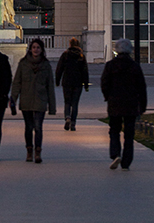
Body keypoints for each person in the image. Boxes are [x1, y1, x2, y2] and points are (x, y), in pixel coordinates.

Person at [100, 38, 148, 171]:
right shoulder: (134, 66)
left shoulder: (110, 66)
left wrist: (107, 97)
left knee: (114, 130)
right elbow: (142, 87)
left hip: (115, 102)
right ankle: (126, 161)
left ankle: (115, 153)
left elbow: (104, 83)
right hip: (131, 104)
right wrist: (142, 105)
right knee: (129, 133)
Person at [11, 38, 56, 163]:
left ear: (42, 50)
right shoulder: (23, 63)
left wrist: (52, 106)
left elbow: (50, 86)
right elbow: (17, 82)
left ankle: (38, 151)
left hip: (40, 100)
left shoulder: (46, 65)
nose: (36, 50)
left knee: (38, 127)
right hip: (26, 99)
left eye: (38, 48)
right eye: (34, 47)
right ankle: (29, 150)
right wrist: (13, 98)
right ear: (30, 49)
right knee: (28, 127)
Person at [55, 37, 89, 131]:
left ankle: (67, 117)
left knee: (67, 102)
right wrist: (86, 85)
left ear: (70, 44)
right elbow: (85, 71)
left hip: (67, 81)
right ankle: (73, 122)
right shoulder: (81, 56)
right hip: (78, 82)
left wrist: (57, 81)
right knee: (75, 103)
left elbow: (59, 69)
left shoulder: (65, 55)